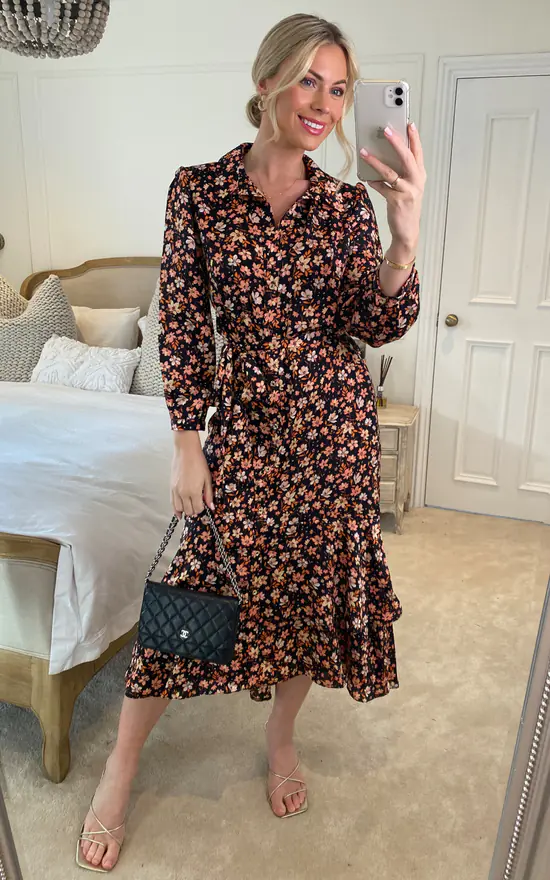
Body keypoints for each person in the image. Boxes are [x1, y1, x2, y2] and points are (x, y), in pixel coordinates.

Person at [77, 12, 425, 872]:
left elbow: (375, 322)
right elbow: (183, 324)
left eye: (339, 90)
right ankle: (121, 767)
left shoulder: (346, 206)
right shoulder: (198, 191)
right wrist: (185, 440)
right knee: (189, 591)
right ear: (267, 79)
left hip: (334, 435)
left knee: (309, 601)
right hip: (242, 433)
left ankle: (280, 738)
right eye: (309, 80)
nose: (324, 104)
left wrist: (404, 237)